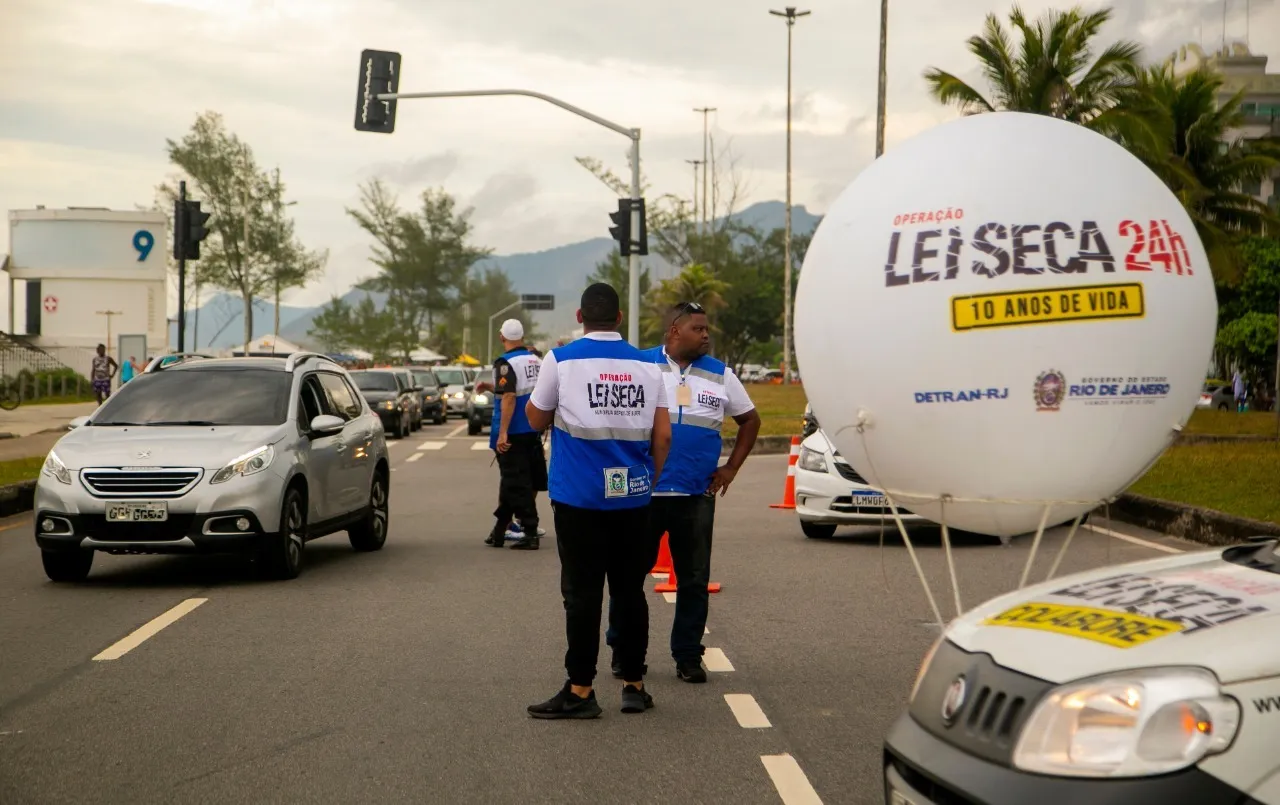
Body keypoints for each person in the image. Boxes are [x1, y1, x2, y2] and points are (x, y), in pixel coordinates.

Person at [524, 283, 672, 719]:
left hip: (578, 498)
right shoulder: (650, 364)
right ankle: (633, 684)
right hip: (632, 494)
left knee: (583, 595)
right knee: (630, 591)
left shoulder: (561, 360)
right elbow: (663, 435)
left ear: (579, 317)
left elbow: (534, 418)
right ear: (620, 318)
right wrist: (651, 478)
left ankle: (582, 689)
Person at [605, 302, 761, 683]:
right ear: (675, 331)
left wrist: (731, 468)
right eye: (699, 328)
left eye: (707, 329)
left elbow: (750, 420)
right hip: (645, 494)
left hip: (695, 495)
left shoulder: (720, 374)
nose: (706, 334)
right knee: (628, 578)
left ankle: (688, 655)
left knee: (693, 579)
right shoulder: (640, 365)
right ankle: (624, 652)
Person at [481, 319, 547, 551]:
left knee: (516, 482)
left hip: (513, 431)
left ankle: (529, 531)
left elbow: (509, 397)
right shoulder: (536, 361)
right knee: (514, 481)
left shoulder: (505, 363)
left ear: (502, 337)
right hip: (532, 429)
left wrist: (502, 434)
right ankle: (500, 530)